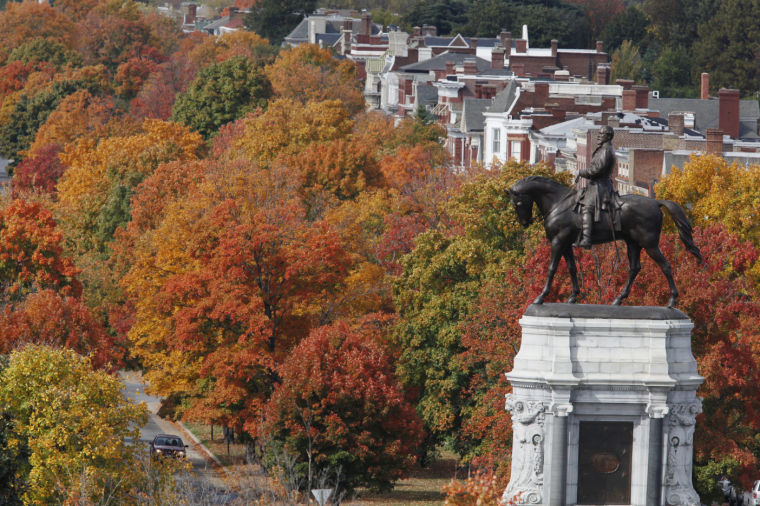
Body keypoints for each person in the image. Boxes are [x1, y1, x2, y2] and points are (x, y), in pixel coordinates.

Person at [574, 125, 617, 249]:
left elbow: (596, 170)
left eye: (601, 134)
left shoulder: (606, 150)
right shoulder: (603, 149)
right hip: (596, 184)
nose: (599, 136)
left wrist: (582, 172)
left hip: (600, 185)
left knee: (587, 207)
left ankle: (587, 239)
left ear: (608, 136)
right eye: (599, 133)